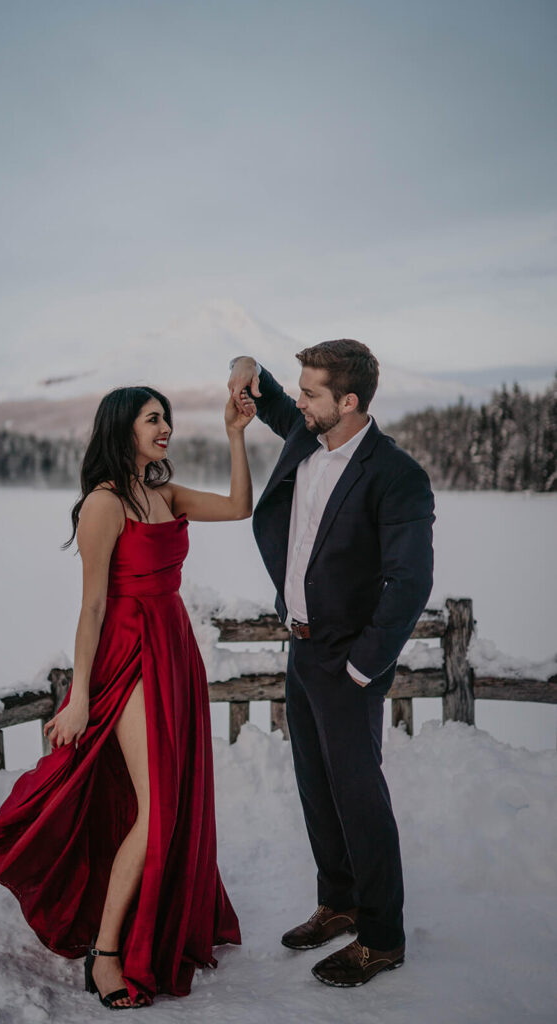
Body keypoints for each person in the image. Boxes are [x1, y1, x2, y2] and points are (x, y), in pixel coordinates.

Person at [0, 384, 255, 1008]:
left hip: (175, 649)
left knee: (174, 796)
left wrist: (234, 434)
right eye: (151, 419)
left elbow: (241, 507)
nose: (164, 427)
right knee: (159, 807)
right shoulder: (104, 505)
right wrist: (79, 694)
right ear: (123, 429)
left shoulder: (164, 493)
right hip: (130, 655)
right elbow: (90, 607)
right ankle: (107, 953)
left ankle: (149, 925)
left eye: (166, 418)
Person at [228, 341, 434, 988]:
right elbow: (268, 399)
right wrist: (244, 369)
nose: (299, 402)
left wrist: (360, 667)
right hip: (302, 647)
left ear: (348, 402)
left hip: (347, 659)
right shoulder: (306, 433)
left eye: (310, 392)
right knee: (317, 788)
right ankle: (339, 901)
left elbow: (408, 583)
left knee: (358, 797)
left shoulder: (394, 474)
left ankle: (380, 937)